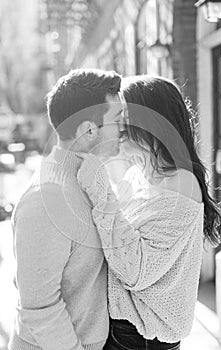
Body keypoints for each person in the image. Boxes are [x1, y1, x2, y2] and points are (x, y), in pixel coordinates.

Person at [77, 75, 221, 350]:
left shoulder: (180, 185)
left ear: (149, 123)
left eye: (122, 116)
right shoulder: (138, 174)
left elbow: (135, 271)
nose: (115, 126)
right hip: (123, 330)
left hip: (141, 339)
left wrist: (101, 190)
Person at [8, 68, 123, 350]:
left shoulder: (86, 180)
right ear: (89, 130)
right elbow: (39, 308)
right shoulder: (45, 199)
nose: (123, 130)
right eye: (117, 120)